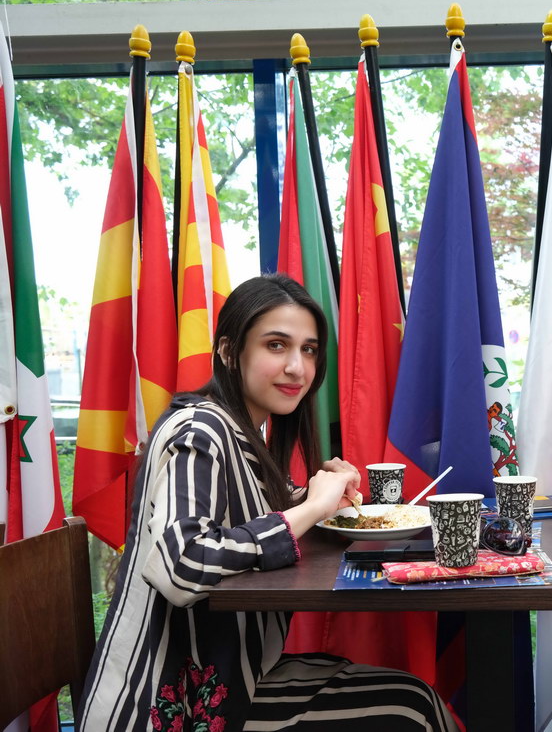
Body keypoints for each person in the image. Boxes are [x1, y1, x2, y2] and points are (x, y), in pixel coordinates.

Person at [78, 274, 457, 731]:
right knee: (411, 710)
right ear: (228, 351)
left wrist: (315, 496)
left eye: (309, 350)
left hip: (236, 673)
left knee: (416, 698)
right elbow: (183, 564)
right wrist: (310, 509)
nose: (298, 367)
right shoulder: (199, 431)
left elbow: (240, 513)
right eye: (276, 345)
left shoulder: (240, 431)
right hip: (166, 704)